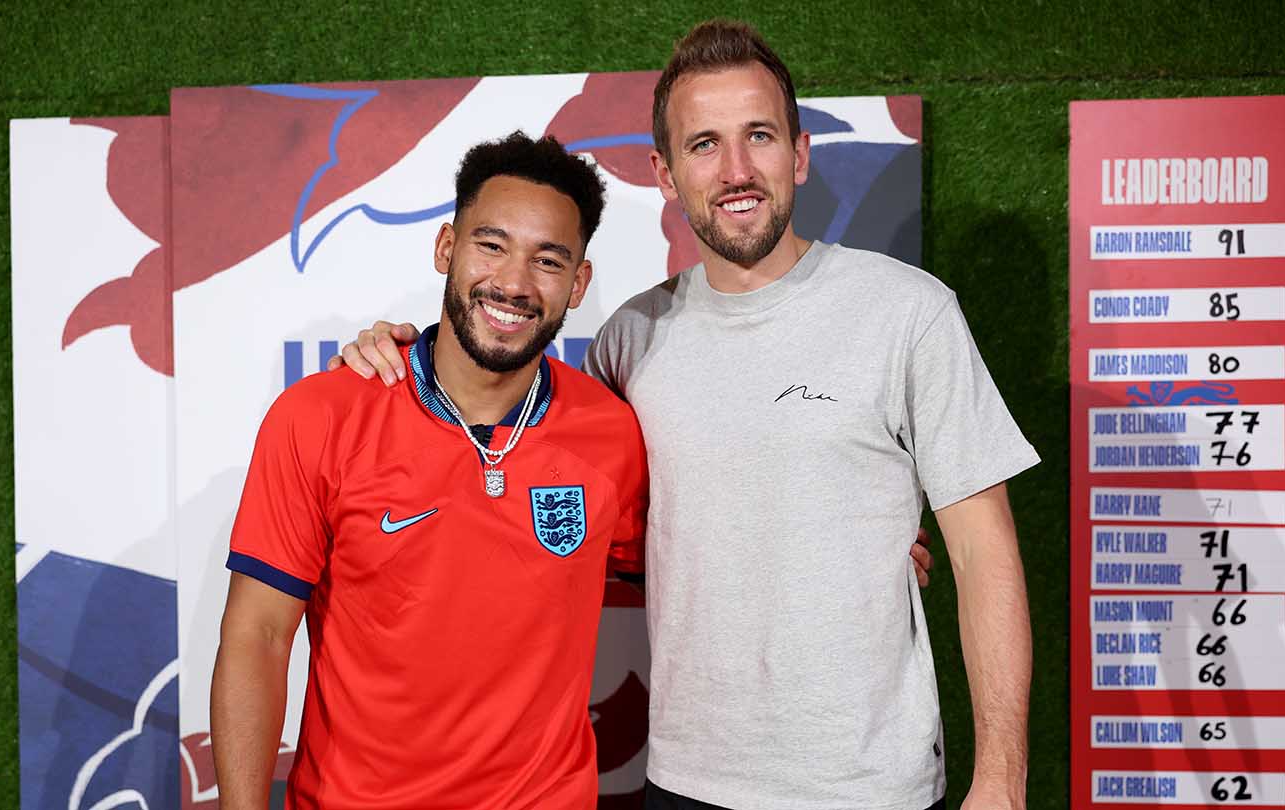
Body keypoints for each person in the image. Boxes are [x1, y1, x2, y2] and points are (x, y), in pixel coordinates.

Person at [336, 20, 1037, 810]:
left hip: (872, 787)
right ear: (665, 175)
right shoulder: (628, 340)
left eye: (759, 136)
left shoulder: (909, 313)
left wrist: (1001, 781)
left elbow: (985, 554)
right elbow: (508, 454)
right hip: (685, 783)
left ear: (800, 154)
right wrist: (405, 356)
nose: (736, 170)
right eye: (705, 145)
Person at [209, 131, 654, 809]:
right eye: (491, 245)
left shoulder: (613, 432)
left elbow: (689, 589)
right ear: (447, 247)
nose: (513, 283)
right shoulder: (320, 416)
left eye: (548, 260)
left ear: (578, 284)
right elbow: (259, 637)